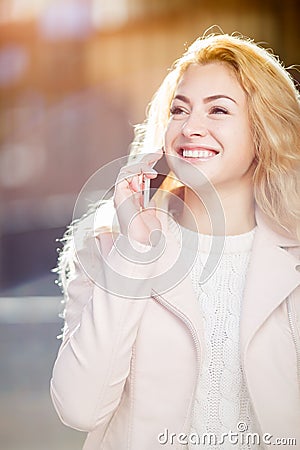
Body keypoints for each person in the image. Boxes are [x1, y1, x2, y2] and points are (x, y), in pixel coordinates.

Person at [50, 32, 300, 450]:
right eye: (178, 110)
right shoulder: (108, 248)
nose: (190, 127)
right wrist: (135, 252)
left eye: (218, 109)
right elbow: (79, 409)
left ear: (264, 130)